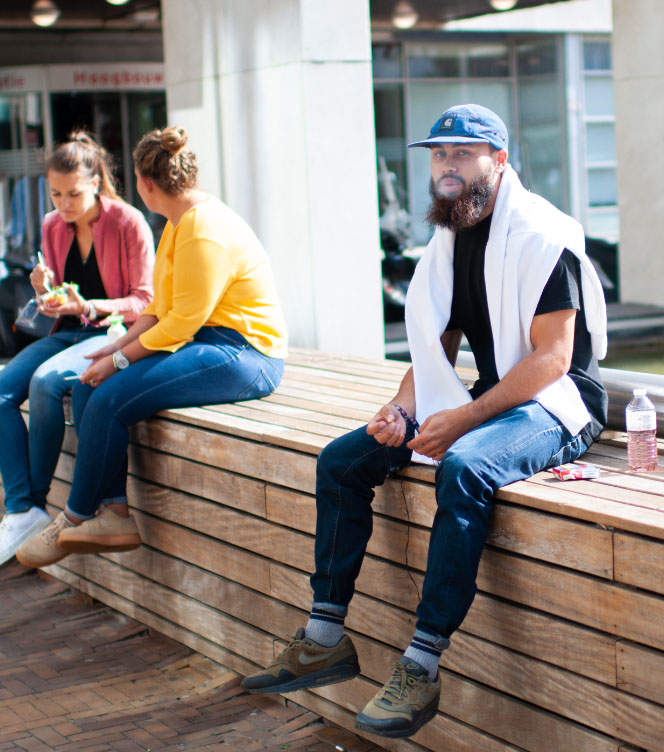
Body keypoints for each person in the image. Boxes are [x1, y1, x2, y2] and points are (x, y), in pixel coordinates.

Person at [241, 104, 609, 738]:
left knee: (463, 468)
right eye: (439, 155)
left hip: (558, 404)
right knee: (342, 460)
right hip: (495, 398)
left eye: (462, 154)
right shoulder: (451, 239)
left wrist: (462, 419)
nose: (446, 167)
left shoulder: (546, 237)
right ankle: (325, 637)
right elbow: (434, 354)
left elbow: (553, 360)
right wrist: (400, 411)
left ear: (498, 160)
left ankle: (422, 664)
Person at [16, 126, 289, 568]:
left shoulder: (203, 230)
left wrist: (121, 358)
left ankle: (73, 516)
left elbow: (183, 321)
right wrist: (114, 348)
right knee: (87, 388)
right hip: (208, 342)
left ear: (144, 184)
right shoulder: (178, 224)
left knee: (108, 398)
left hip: (247, 355)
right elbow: (160, 307)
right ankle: (116, 513)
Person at [0, 131, 154, 572]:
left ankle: (32, 505)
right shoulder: (52, 225)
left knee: (43, 383)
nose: (64, 203)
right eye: (56, 193)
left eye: (73, 193)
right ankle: (22, 510)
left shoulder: (128, 221)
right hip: (68, 333)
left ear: (95, 182)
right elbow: (59, 295)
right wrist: (45, 290)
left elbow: (146, 301)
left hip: (113, 333)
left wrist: (90, 306)